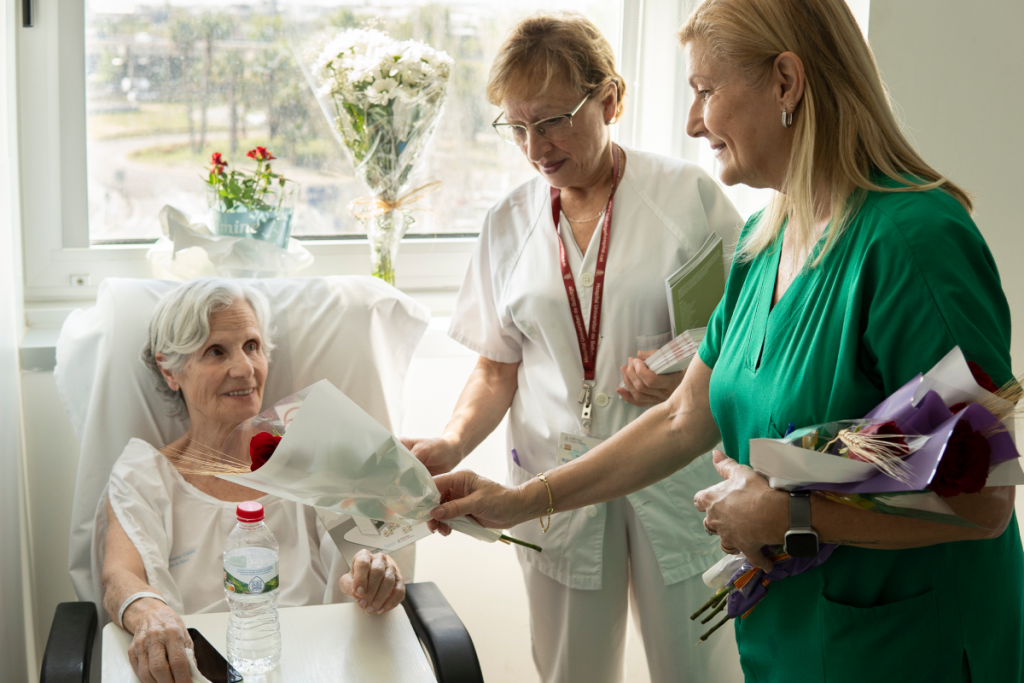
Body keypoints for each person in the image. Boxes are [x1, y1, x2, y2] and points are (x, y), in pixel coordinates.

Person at [426, 0, 1024, 681]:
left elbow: (982, 494)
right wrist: (523, 500)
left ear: (786, 82)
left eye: (705, 92)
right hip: (793, 640)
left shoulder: (915, 240)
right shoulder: (761, 243)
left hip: (905, 642)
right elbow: (684, 416)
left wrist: (792, 510)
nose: (692, 121)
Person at [402, 12, 744, 683]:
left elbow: (739, 334)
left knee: (700, 669)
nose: (536, 146)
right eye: (518, 126)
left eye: (554, 119)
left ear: (610, 99)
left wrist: (678, 376)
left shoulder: (688, 198)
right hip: (551, 479)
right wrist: (450, 443)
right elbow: (496, 368)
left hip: (671, 476)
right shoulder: (508, 222)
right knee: (568, 672)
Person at [100, 279, 408, 683]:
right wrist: (150, 614)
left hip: (318, 663)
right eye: (216, 351)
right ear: (169, 369)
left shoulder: (314, 457)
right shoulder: (144, 475)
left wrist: (379, 574)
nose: (245, 369)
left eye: (252, 346)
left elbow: (365, 559)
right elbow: (118, 577)